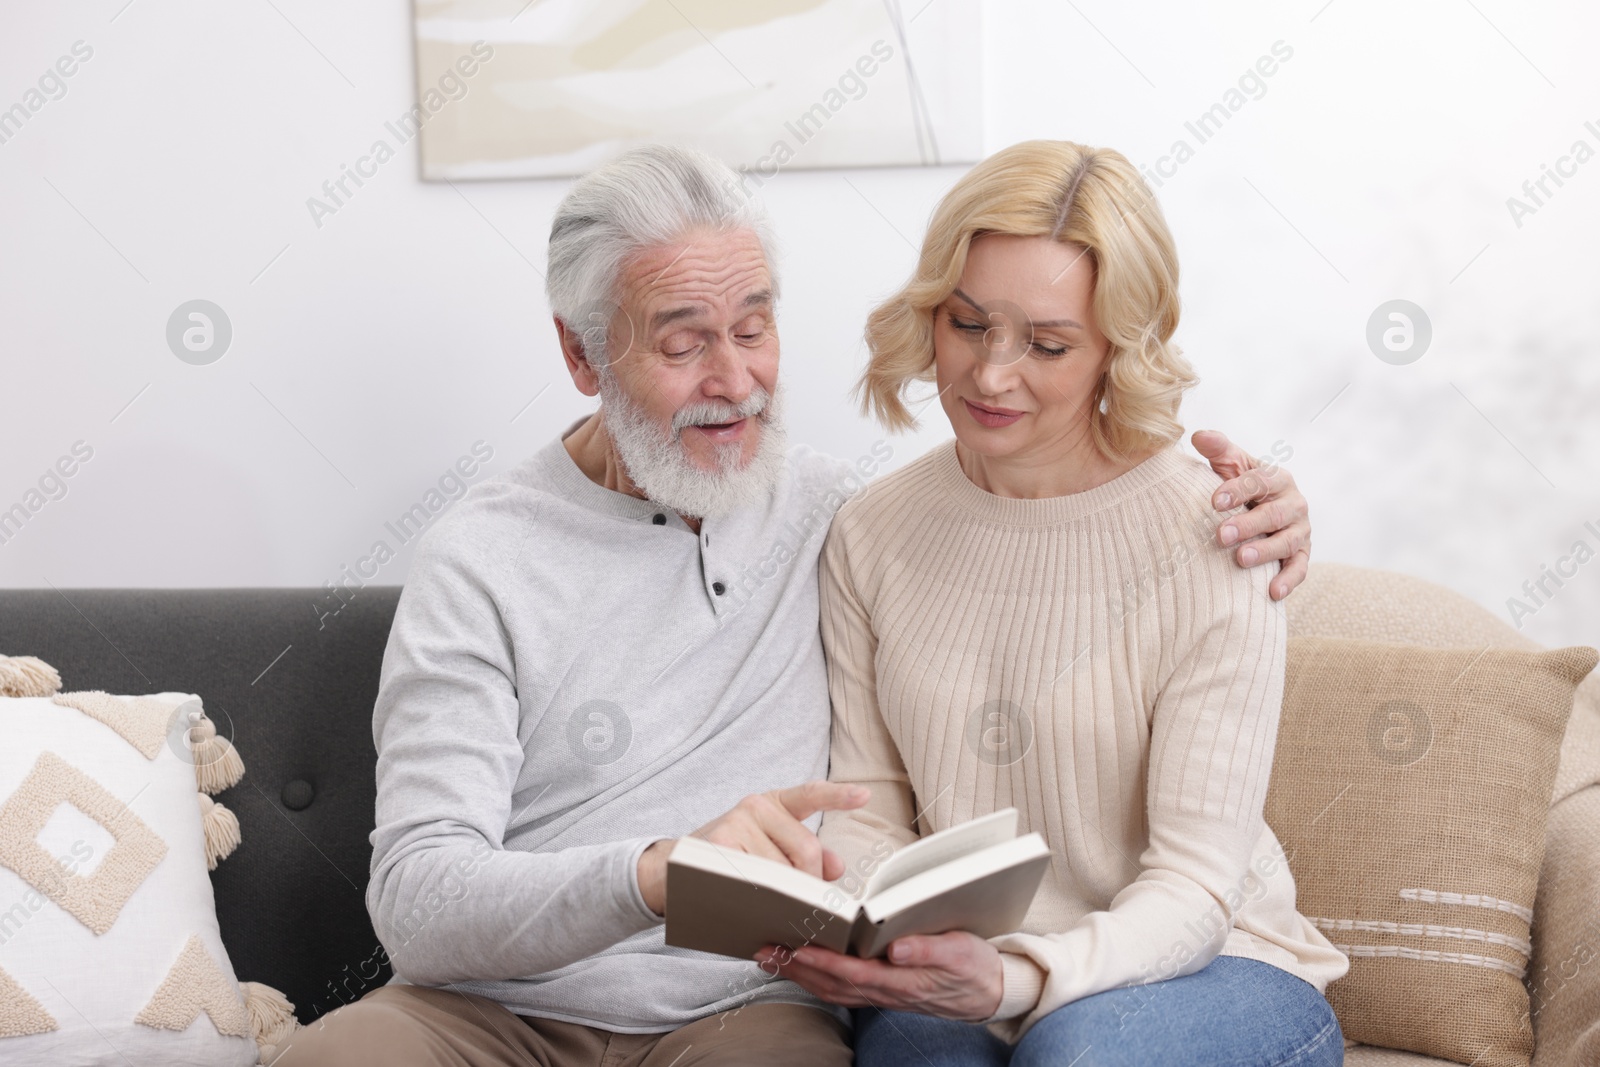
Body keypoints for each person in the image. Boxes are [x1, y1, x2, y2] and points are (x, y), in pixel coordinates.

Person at [272, 143, 1318, 1067]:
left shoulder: (842, 512)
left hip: (792, 1006)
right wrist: (658, 875)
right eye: (683, 342)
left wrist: (1283, 510)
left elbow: (1188, 873)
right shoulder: (501, 557)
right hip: (502, 1009)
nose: (736, 381)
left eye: (754, 325)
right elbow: (420, 902)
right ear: (581, 352)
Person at [759, 140, 1349, 1066]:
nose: (992, 375)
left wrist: (1021, 979)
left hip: (1217, 967)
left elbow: (1195, 888)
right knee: (911, 1054)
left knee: (1075, 1053)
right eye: (966, 324)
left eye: (1047, 343)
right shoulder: (871, 531)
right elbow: (869, 809)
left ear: (1120, 348)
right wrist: (889, 943)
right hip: (971, 969)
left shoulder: (1222, 534)